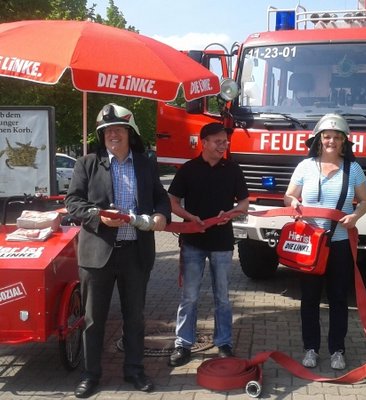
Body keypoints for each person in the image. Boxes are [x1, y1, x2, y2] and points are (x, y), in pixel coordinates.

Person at [65, 103, 171, 398]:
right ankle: (91, 374)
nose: (113, 134)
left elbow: (161, 199)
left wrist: (162, 215)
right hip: (97, 255)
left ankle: (134, 370)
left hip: (135, 253)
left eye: (118, 129)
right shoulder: (86, 164)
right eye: (107, 130)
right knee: (93, 319)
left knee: (135, 317)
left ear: (129, 132)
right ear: (102, 135)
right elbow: (73, 203)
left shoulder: (146, 163)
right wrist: (98, 216)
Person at [284, 113, 366, 370]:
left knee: (338, 298)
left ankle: (337, 350)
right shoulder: (305, 166)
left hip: (340, 244)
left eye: (336, 137)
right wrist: (294, 202)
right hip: (310, 244)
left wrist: (355, 216)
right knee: (309, 298)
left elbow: (364, 201)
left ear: (344, 141)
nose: (331, 141)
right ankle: (310, 348)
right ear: (319, 139)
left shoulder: (353, 169)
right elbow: (289, 196)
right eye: (327, 136)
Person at [167, 122, 249, 367]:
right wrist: (190, 217)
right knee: (189, 296)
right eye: (218, 141)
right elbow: (171, 202)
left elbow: (244, 204)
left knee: (222, 297)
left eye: (225, 141)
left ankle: (223, 342)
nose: (223, 145)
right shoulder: (188, 169)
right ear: (204, 143)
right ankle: (183, 344)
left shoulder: (233, 169)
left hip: (222, 243)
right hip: (193, 241)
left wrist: (230, 213)